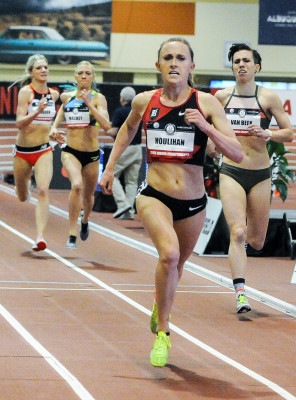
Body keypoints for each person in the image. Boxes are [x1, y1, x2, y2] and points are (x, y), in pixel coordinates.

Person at [99, 38, 243, 367]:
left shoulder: (207, 103)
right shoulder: (144, 101)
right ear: (158, 66)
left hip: (193, 203)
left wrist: (205, 126)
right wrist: (109, 170)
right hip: (154, 196)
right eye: (168, 57)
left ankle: (158, 305)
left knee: (175, 268)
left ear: (192, 66)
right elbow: (126, 130)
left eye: (181, 57)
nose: (174, 62)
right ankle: (163, 332)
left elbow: (236, 152)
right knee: (169, 254)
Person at [212, 43, 293, 313]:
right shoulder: (221, 97)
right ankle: (240, 293)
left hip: (260, 174)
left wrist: (267, 134)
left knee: (256, 240)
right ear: (232, 67)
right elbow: (209, 130)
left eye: (246, 61)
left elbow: (289, 132)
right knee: (237, 232)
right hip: (231, 171)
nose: (241, 65)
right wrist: (214, 148)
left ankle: (242, 249)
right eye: (236, 61)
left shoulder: (268, 98)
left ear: (256, 66)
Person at [50, 61, 110, 249]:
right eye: (80, 73)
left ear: (93, 77)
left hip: (91, 154)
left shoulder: (99, 98)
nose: (84, 76)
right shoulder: (67, 98)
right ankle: (72, 233)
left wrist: (89, 105)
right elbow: (58, 119)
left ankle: (85, 221)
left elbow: (106, 125)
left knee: (88, 196)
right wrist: (53, 129)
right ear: (75, 77)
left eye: (87, 73)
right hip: (70, 151)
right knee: (76, 185)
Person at [12, 54, 60, 251]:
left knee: (42, 190)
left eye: (46, 67)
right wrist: (38, 111)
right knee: (22, 196)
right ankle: (24, 191)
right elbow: (19, 124)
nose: (44, 70)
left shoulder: (54, 95)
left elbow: (51, 123)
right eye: (39, 68)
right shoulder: (26, 92)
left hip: (43, 149)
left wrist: (55, 132)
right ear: (31, 72)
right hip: (23, 151)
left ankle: (40, 237)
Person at [106, 86, 143, 220]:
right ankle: (129, 211)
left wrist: (106, 129)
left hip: (125, 148)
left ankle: (122, 204)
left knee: (112, 175)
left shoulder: (119, 111)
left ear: (122, 98)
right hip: (138, 148)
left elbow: (114, 131)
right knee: (132, 182)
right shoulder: (138, 111)